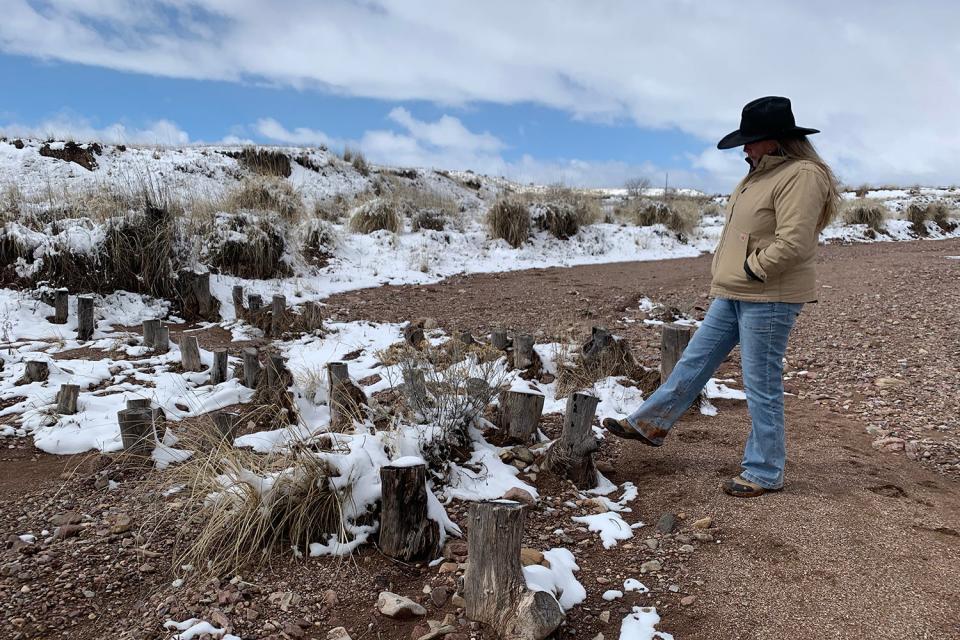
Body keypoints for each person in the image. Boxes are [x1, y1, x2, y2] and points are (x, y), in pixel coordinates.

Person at [603, 96, 840, 497]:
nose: (745, 148)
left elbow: (795, 242)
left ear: (776, 139)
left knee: (761, 383)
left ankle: (765, 471)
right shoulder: (758, 174)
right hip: (735, 291)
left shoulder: (801, 174)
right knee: (692, 363)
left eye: (751, 140)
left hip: (769, 296)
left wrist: (753, 268)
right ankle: (650, 423)